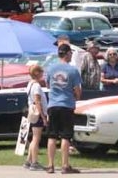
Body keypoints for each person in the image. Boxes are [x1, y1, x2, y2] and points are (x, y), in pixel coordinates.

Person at [45, 43, 82, 174]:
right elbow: (78, 90)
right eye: (70, 53)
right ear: (66, 54)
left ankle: (50, 165)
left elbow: (48, 84)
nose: (71, 55)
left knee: (52, 135)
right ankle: (65, 165)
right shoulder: (72, 70)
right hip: (66, 105)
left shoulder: (50, 68)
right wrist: (76, 97)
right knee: (66, 136)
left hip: (53, 105)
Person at [23, 65, 48, 171]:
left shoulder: (30, 84)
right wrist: (43, 116)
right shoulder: (36, 86)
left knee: (34, 138)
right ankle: (34, 162)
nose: (43, 73)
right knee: (36, 139)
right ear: (37, 73)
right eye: (41, 71)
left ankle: (28, 161)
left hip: (32, 113)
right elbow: (37, 101)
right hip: (37, 114)